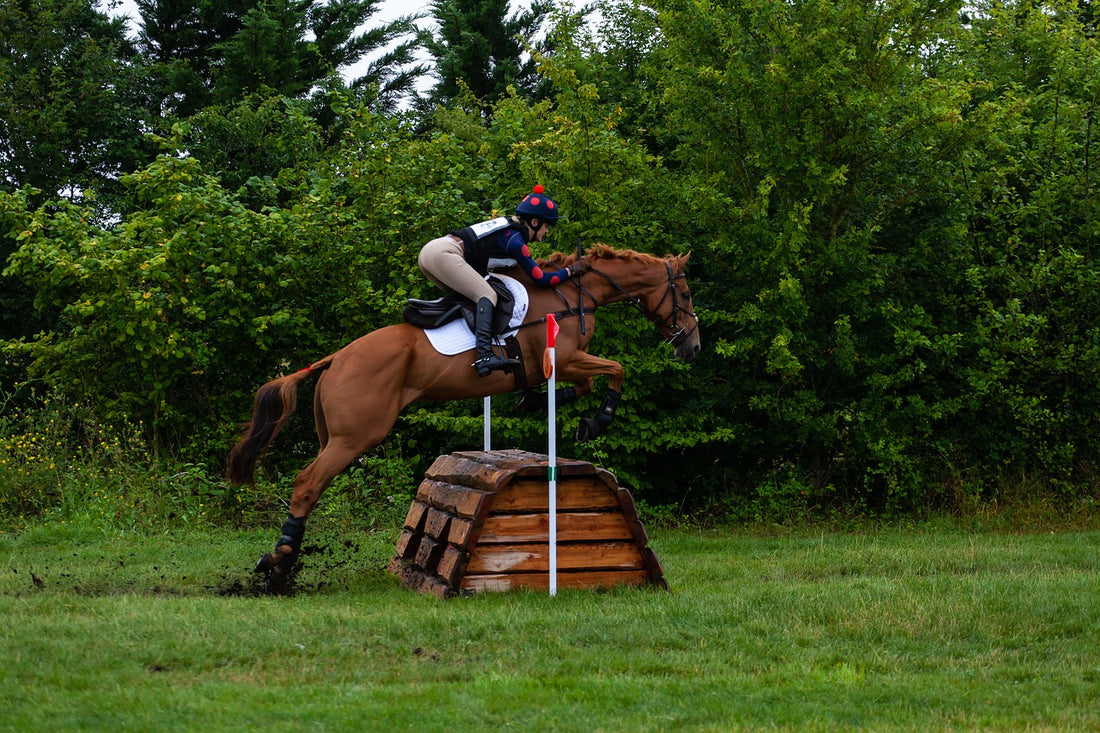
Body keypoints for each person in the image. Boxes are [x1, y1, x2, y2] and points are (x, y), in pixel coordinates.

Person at [418, 186, 587, 376]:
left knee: (472, 298)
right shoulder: (515, 241)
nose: (546, 231)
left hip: (432, 252)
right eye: (546, 226)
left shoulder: (508, 229)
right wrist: (571, 270)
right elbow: (541, 279)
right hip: (445, 254)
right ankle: (484, 356)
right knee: (487, 294)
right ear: (534, 222)